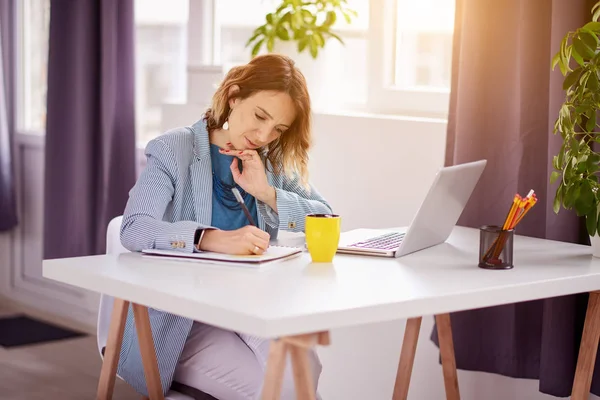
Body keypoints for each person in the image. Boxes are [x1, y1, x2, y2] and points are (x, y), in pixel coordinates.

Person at [117, 53, 332, 399]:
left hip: (250, 306)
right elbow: (134, 229)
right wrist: (210, 238)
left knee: (303, 370)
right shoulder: (176, 149)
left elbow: (325, 217)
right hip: (185, 320)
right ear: (234, 97)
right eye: (260, 116)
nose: (263, 135)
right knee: (282, 391)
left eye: (278, 128)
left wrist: (266, 192)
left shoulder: (269, 162)